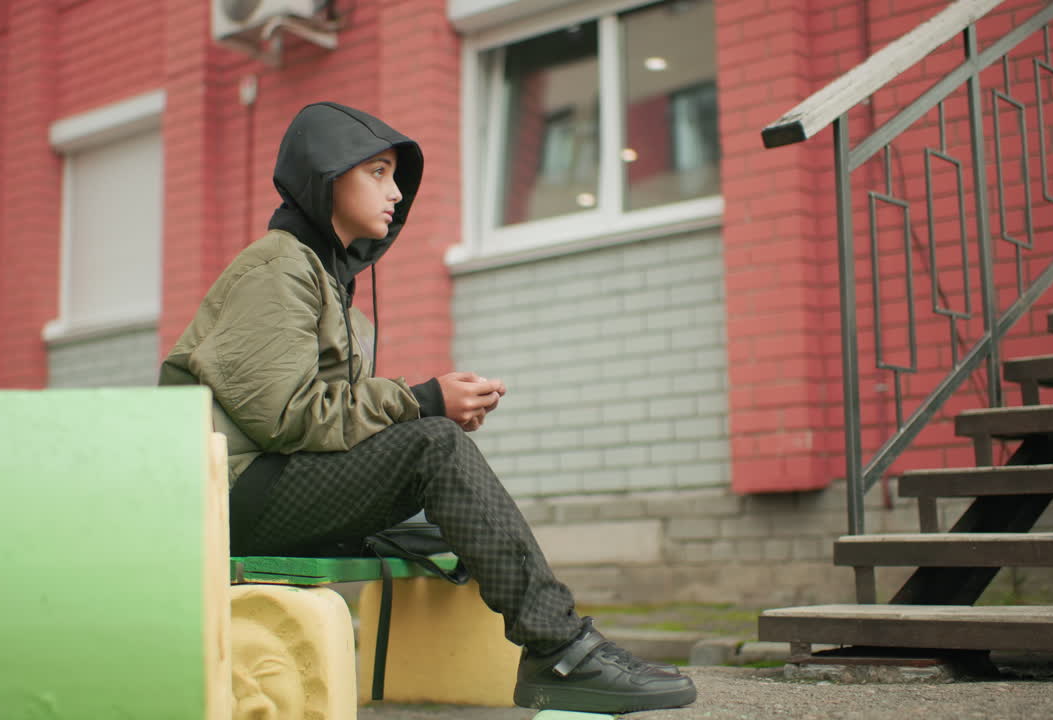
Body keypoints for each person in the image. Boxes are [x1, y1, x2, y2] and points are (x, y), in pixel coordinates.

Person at [159, 101, 697, 714]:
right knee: (435, 448)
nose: (395, 193)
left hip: (269, 485)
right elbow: (286, 417)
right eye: (378, 173)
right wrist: (424, 403)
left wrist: (428, 407)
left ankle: (564, 646)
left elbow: (325, 422)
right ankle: (562, 651)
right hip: (229, 493)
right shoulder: (277, 267)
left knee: (452, 513)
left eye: (396, 177)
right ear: (326, 177)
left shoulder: (326, 281)